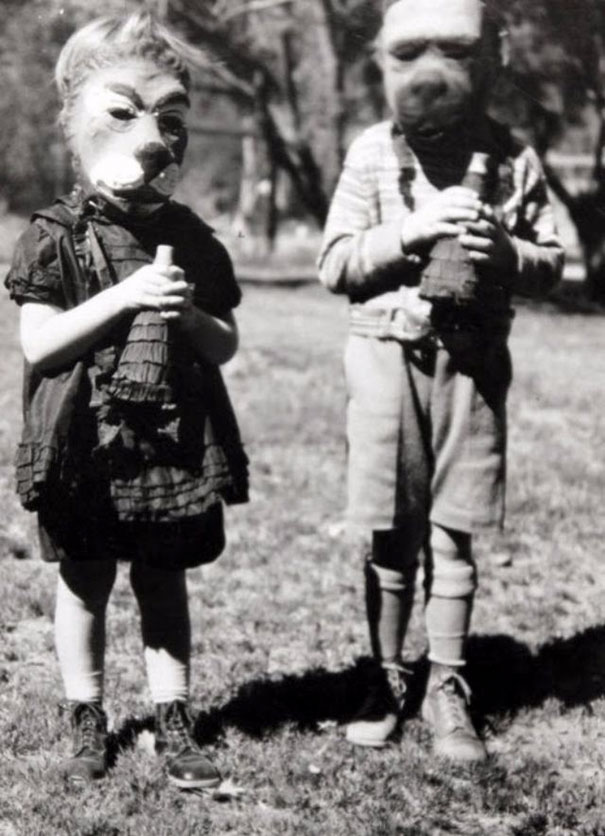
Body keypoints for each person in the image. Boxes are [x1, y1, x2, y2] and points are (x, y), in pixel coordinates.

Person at [5, 12, 248, 788]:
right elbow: (41, 346)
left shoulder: (193, 238)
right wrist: (125, 296)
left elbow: (224, 345)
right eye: (122, 112)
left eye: (171, 119)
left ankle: (174, 719)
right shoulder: (54, 236)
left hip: (170, 438)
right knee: (84, 579)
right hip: (85, 440)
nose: (152, 139)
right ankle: (88, 720)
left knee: (163, 578)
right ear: (75, 122)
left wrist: (189, 314)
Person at [318, 0, 564, 762]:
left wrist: (508, 254)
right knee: (390, 532)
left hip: (473, 368)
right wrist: (408, 232)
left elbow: (556, 262)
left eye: (455, 53)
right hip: (384, 359)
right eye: (408, 54)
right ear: (381, 61)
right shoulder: (370, 152)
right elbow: (334, 263)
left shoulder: (512, 158)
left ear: (493, 59)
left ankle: (445, 685)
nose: (430, 76)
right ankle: (386, 677)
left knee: (453, 531)